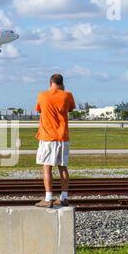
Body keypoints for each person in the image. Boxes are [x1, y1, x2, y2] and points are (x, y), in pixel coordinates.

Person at [35, 74, 76, 208]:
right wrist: (62, 91)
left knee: (47, 167)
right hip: (63, 136)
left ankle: (48, 198)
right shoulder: (67, 95)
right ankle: (64, 197)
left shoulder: (42, 95)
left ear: (50, 82)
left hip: (48, 137)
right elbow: (70, 108)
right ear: (62, 84)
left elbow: (39, 109)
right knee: (63, 167)